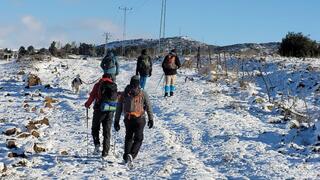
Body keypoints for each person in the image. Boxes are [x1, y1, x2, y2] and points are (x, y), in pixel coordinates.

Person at [114, 75, 154, 165]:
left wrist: (116, 121)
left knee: (128, 137)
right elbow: (148, 106)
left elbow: (119, 108)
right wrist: (151, 119)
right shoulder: (142, 93)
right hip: (140, 118)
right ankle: (132, 155)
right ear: (138, 83)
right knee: (138, 138)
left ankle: (126, 157)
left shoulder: (124, 93)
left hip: (128, 118)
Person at [84, 74, 118, 158]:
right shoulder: (113, 85)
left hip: (99, 110)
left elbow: (92, 96)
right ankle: (105, 152)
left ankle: (97, 145)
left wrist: (87, 104)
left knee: (95, 128)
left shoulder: (98, 85)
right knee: (107, 131)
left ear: (102, 77)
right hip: (110, 110)